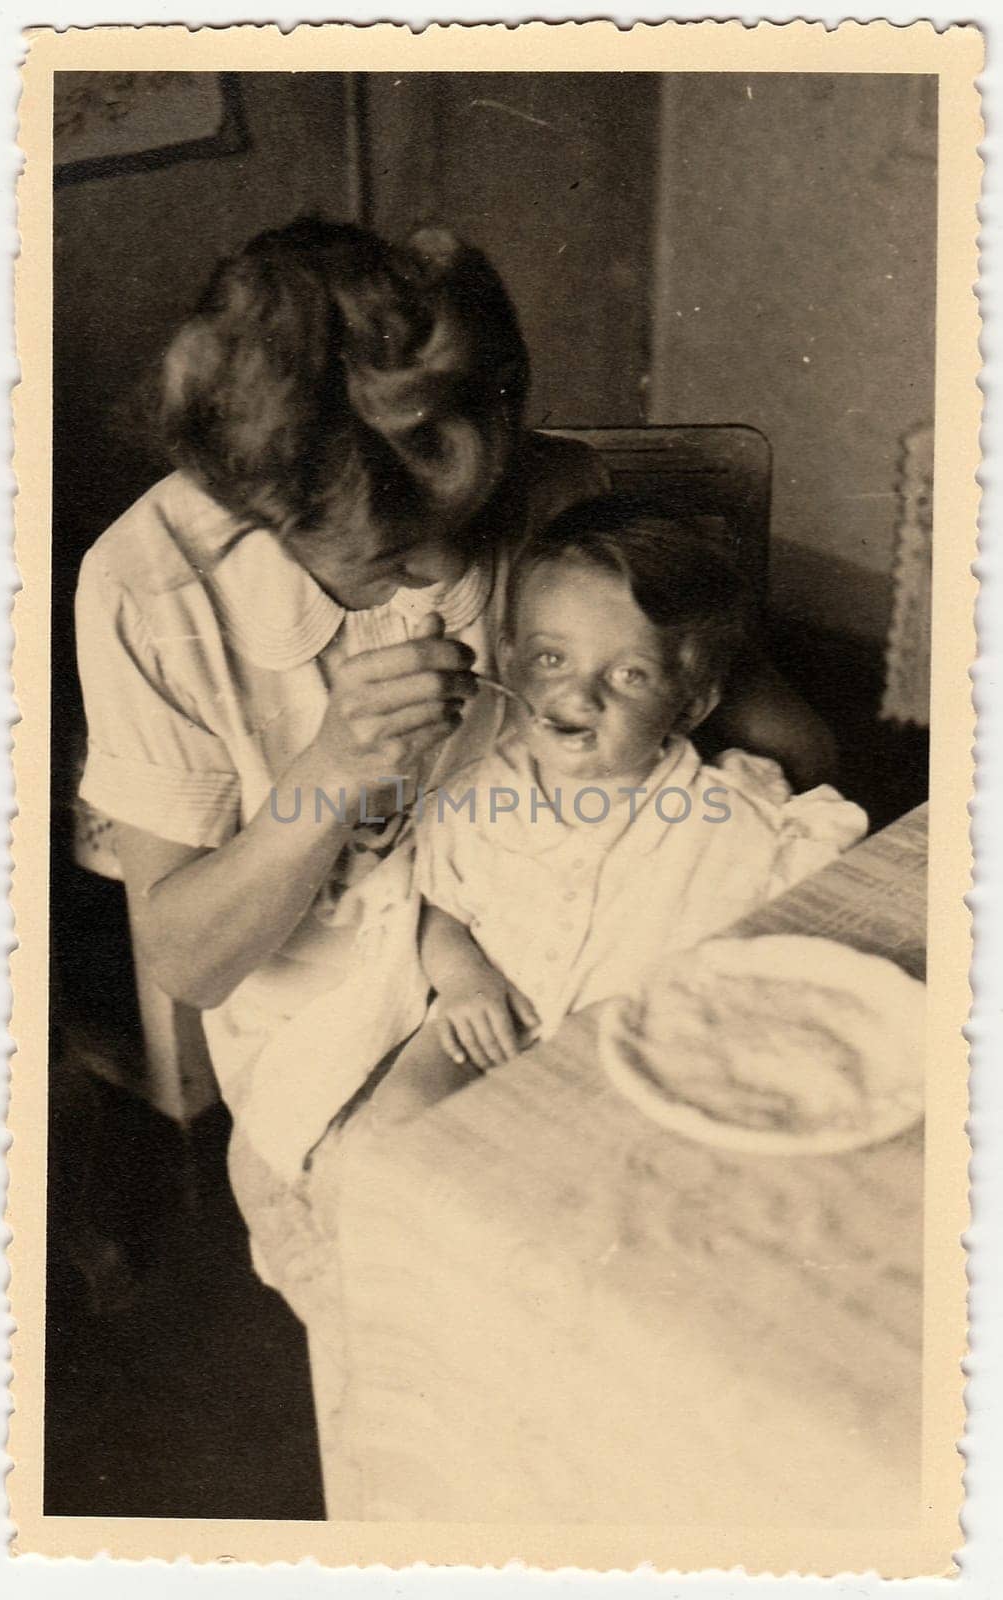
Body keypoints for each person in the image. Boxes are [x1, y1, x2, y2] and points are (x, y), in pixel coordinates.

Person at [74, 213, 833, 1206]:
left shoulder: (553, 485)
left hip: (562, 931)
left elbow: (786, 739)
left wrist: (707, 692)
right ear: (274, 514)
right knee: (451, 1225)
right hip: (334, 1018)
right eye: (389, 553)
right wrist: (329, 775)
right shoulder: (148, 588)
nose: (449, 572)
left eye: (467, 519)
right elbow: (189, 962)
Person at [359, 496, 868, 1125]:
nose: (579, 693)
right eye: (552, 659)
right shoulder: (475, 796)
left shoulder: (734, 815)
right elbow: (442, 909)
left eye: (629, 674)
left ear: (687, 709)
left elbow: (799, 919)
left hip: (641, 1050)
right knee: (396, 1118)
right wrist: (465, 981)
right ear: (510, 658)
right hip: (498, 1024)